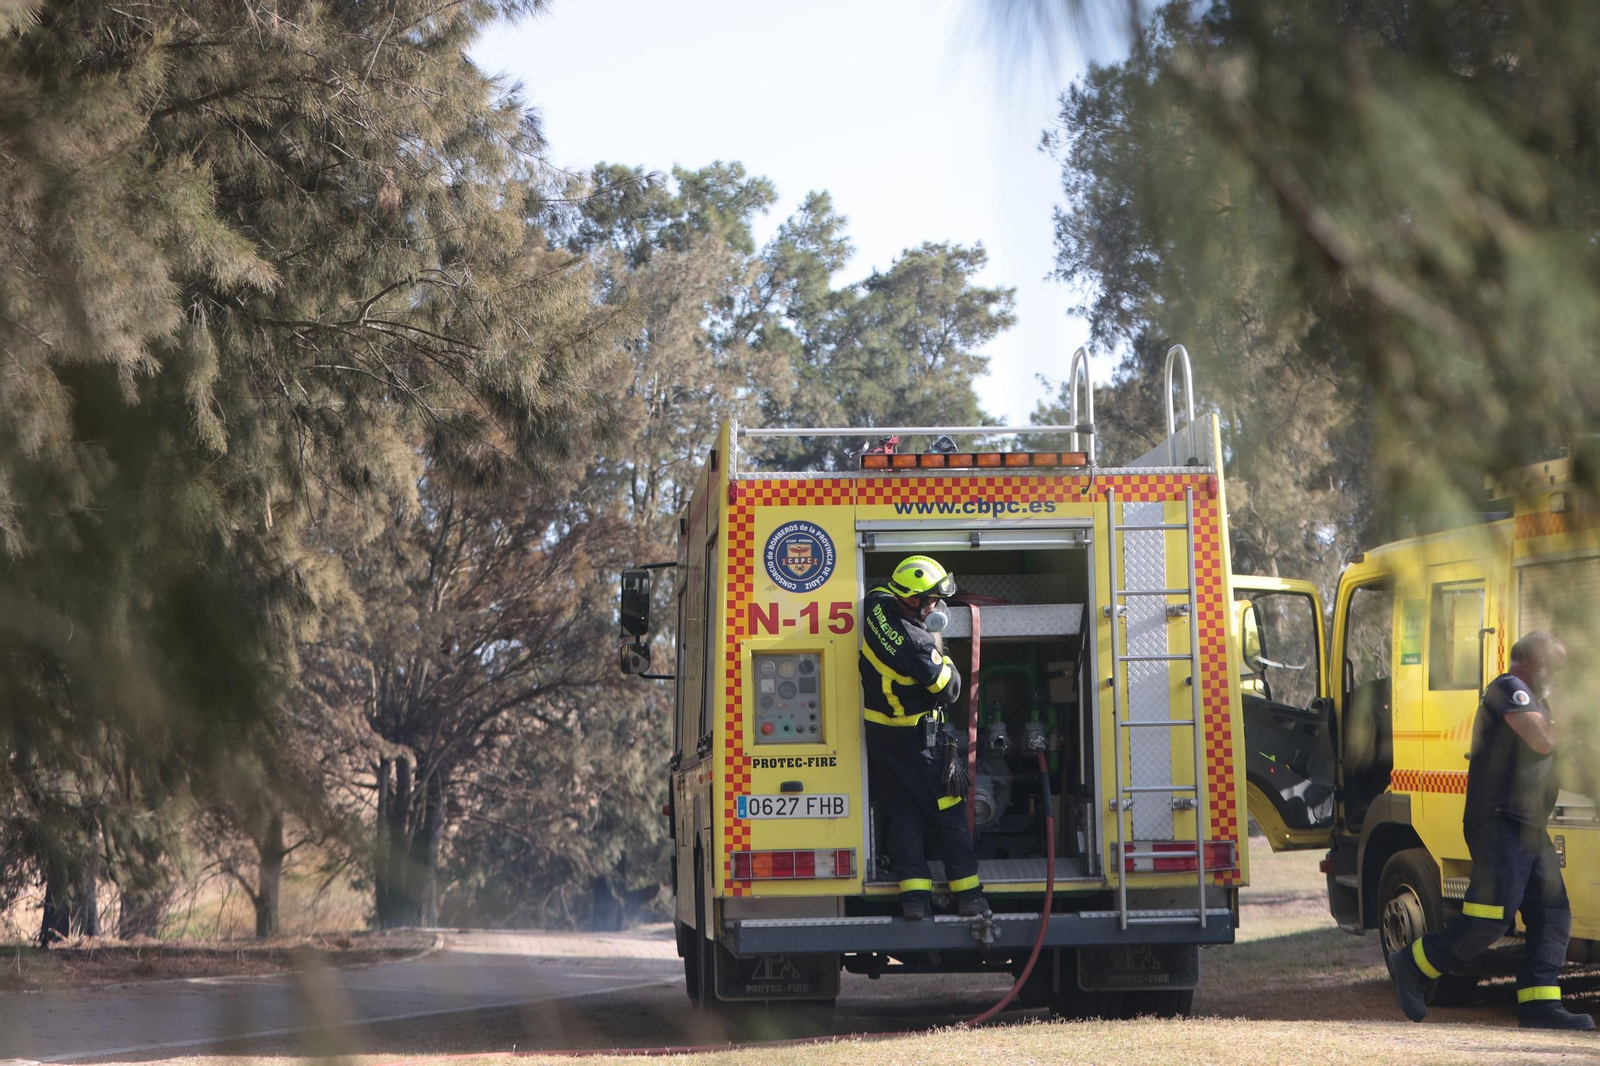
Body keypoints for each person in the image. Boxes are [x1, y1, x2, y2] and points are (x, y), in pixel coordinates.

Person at [1386, 631, 1594, 1030]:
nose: (1558, 675)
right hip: (1498, 822)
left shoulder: (1541, 703)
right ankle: (1411, 964)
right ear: (1530, 660)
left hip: (1528, 828)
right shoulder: (1507, 689)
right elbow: (1544, 740)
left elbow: (1560, 760)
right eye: (1555, 665)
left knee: (1552, 915)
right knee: (1488, 919)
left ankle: (1539, 1006)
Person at [859, 555, 987, 921]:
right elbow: (951, 690)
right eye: (930, 600)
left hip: (883, 743)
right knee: (949, 815)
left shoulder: (875, 605)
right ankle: (970, 897)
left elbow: (882, 592)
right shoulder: (917, 645)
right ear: (912, 601)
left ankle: (915, 901)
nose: (936, 606)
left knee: (902, 817)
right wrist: (939, 645)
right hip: (923, 745)